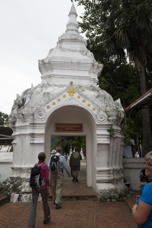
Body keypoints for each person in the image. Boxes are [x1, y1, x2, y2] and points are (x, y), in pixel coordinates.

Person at [28, 152, 50, 228]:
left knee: (33, 206)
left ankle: (31, 224)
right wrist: (48, 186)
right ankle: (46, 218)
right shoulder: (45, 167)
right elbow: (46, 179)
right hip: (43, 187)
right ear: (44, 158)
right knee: (45, 203)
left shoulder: (35, 165)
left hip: (34, 187)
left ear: (38, 158)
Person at [132, 151, 152, 227]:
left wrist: (135, 207)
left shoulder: (149, 188)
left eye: (150, 164)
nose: (145, 167)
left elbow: (139, 219)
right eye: (145, 163)